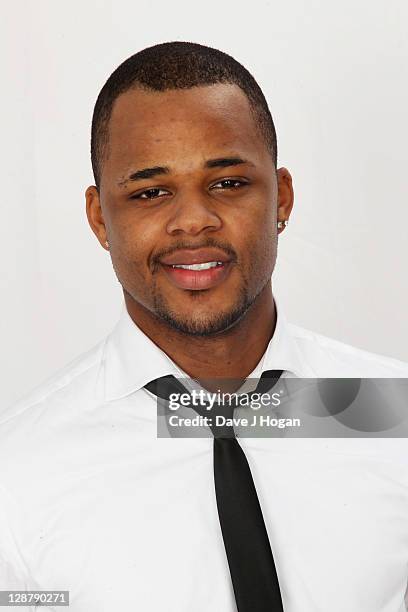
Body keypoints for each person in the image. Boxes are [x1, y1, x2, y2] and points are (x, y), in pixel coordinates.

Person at [1, 41, 407, 612]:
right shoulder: (15, 475)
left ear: (281, 197)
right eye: (150, 192)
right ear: (100, 218)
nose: (193, 220)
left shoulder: (392, 417)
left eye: (228, 183)